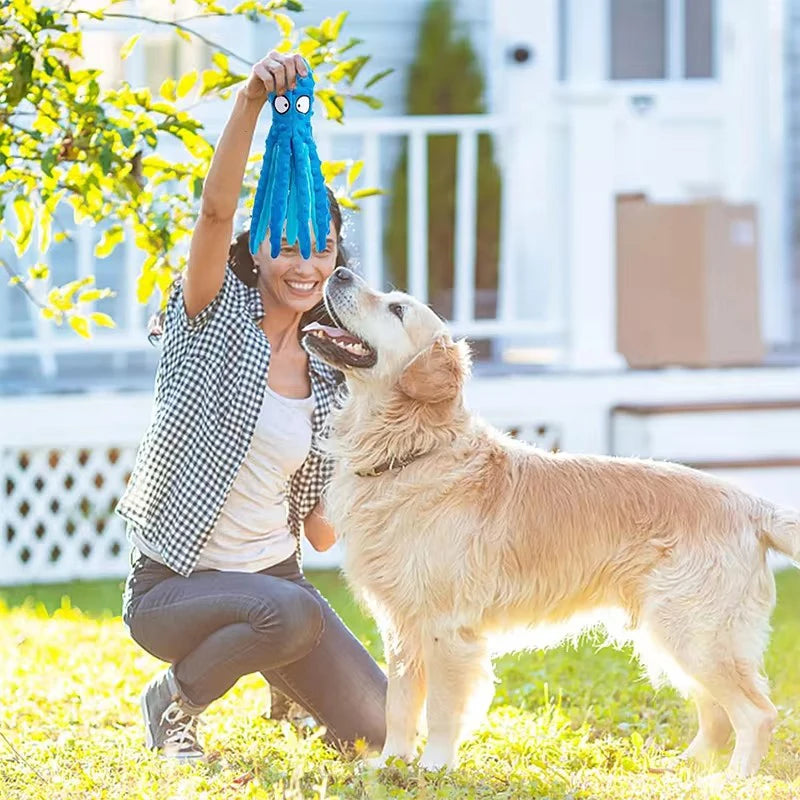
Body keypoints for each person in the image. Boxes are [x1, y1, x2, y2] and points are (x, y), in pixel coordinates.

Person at [116, 50, 387, 761]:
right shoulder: (212, 318)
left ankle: (285, 678)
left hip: (276, 585)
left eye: (322, 249)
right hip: (174, 588)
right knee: (291, 610)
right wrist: (249, 103)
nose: (306, 265)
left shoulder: (332, 373)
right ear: (259, 248)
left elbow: (324, 534)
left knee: (381, 730)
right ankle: (174, 702)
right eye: (290, 246)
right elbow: (213, 212)